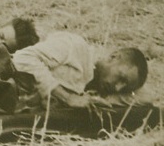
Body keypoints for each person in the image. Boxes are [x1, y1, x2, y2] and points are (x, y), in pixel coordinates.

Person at [12, 32, 148, 108]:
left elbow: (147, 98)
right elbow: (22, 58)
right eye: (121, 78)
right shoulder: (75, 47)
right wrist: (67, 97)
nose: (118, 88)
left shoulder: (95, 92)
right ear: (113, 57)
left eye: (124, 88)